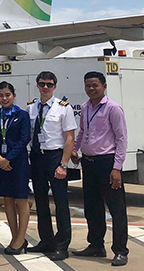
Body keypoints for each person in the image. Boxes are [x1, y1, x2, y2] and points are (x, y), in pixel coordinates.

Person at [71, 71, 129, 266]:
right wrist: (74, 149)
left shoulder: (113, 108)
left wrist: (117, 168)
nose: (91, 89)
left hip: (107, 163)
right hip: (89, 163)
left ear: (104, 86)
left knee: (116, 208)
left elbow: (121, 139)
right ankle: (96, 245)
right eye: (88, 85)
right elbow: (82, 132)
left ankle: (120, 250)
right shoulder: (86, 107)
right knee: (92, 207)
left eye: (95, 85)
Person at [25, 72, 76, 261]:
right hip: (37, 157)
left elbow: (69, 137)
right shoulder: (31, 107)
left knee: (61, 202)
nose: (45, 87)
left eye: (49, 84)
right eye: (42, 84)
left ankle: (62, 245)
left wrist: (64, 164)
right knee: (40, 201)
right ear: (37, 85)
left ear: (55, 86)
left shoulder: (63, 108)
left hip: (55, 156)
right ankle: (46, 241)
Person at [0, 81, 31, 255]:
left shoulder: (22, 115)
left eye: (7, 95)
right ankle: (16, 238)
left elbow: (24, 139)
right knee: (7, 199)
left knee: (20, 199)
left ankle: (21, 237)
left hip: (18, 162)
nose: (4, 98)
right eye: (1, 95)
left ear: (14, 95)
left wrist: (8, 158)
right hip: (1, 163)